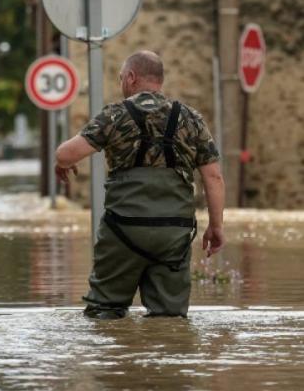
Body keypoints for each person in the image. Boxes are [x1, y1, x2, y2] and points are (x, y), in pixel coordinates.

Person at [55, 50, 225, 319]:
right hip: (174, 232)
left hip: (124, 230)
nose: (122, 82)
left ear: (131, 77)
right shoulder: (191, 119)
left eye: (122, 77)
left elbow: (65, 154)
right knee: (170, 318)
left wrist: (62, 163)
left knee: (104, 312)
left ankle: (117, 356)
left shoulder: (114, 115)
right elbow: (213, 177)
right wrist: (215, 227)